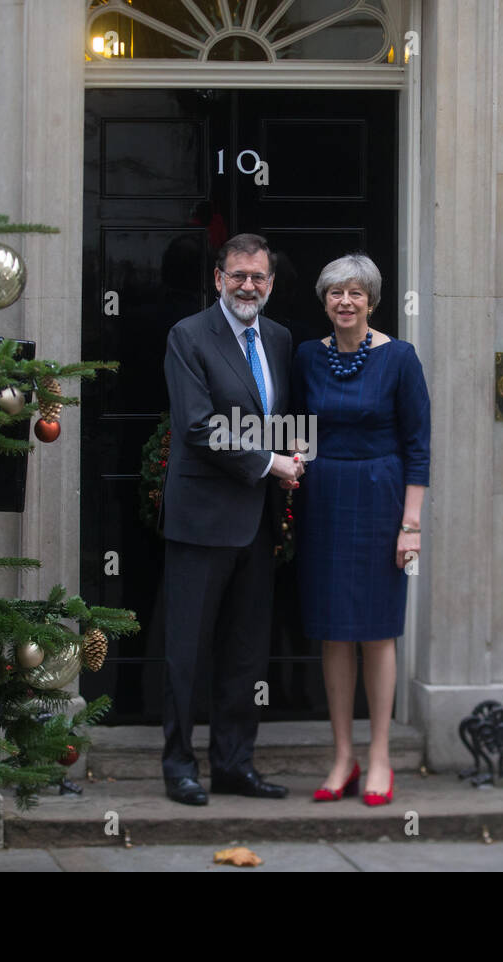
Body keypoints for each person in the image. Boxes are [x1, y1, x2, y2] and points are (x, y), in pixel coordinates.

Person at [159, 233, 304, 806]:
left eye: (259, 277)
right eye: (238, 275)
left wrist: (297, 453)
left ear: (270, 283)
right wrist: (271, 462)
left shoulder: (280, 338)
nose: (249, 286)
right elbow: (198, 426)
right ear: (218, 278)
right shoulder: (188, 336)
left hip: (259, 522)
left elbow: (281, 417)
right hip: (201, 518)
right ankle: (179, 767)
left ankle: (235, 765)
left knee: (245, 654)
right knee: (188, 653)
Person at [288, 253, 430, 806]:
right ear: (324, 302)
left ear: (371, 300)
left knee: (375, 628)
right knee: (333, 629)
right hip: (324, 498)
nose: (345, 302)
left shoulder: (399, 358)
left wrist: (410, 526)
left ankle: (378, 756)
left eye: (355, 292)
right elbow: (299, 427)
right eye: (334, 293)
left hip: (381, 498)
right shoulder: (307, 357)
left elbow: (418, 447)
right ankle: (342, 754)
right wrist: (292, 461)